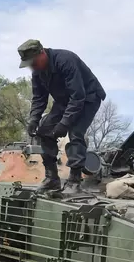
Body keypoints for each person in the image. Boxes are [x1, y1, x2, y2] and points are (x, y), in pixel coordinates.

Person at [18, 39, 106, 193]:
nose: (33, 67)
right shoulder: (38, 72)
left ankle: (74, 181)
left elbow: (78, 96)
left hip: (88, 98)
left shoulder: (66, 61)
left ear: (42, 53)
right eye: (29, 64)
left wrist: (64, 124)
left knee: (75, 131)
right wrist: (34, 119)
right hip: (64, 101)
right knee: (44, 129)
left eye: (34, 62)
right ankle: (52, 179)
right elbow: (39, 98)